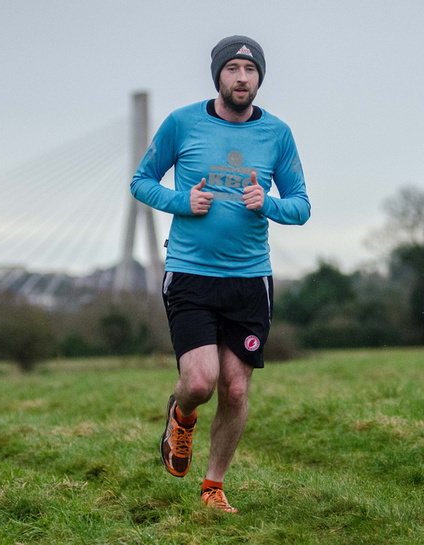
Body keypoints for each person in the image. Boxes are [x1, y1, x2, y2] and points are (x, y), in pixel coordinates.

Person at [130, 35, 311, 513]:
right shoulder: (182, 123)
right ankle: (179, 418)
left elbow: (302, 206)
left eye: (250, 71)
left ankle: (213, 487)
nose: (241, 78)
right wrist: (180, 202)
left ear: (259, 79)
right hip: (190, 273)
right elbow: (141, 181)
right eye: (232, 69)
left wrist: (268, 204)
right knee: (199, 383)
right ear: (218, 76)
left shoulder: (278, 134)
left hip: (250, 280)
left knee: (235, 387)